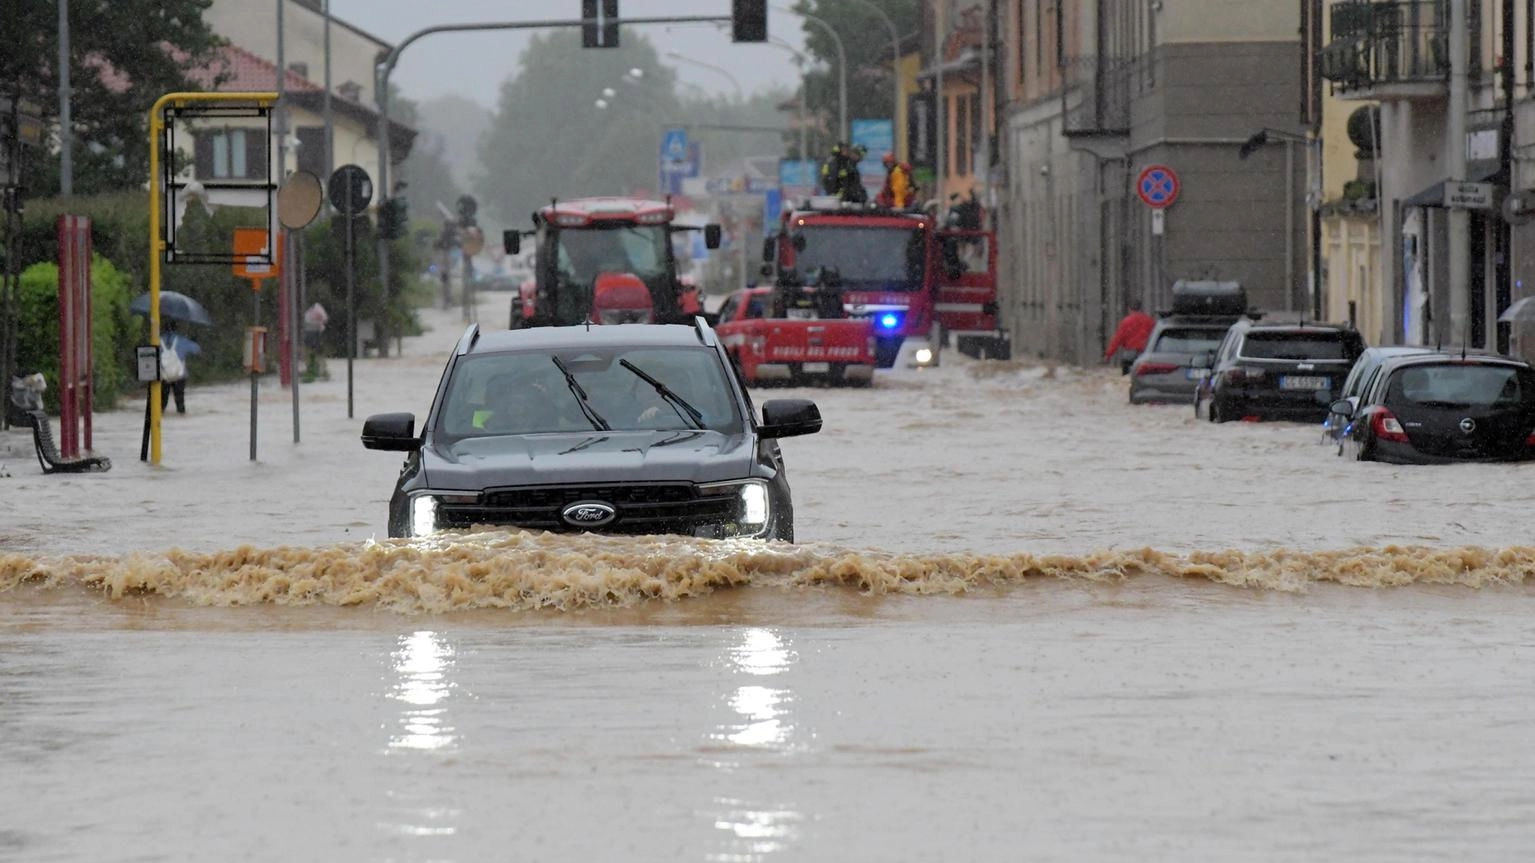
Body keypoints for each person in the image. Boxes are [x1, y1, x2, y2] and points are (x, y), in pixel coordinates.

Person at [1104, 300, 1156, 374]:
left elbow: (1117, 339)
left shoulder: (1126, 321)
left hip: (1130, 353)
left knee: (1126, 378)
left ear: (1129, 309)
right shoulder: (1150, 321)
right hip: (1145, 353)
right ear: (1141, 308)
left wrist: (1108, 354)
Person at [159, 324, 198, 414]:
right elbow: (196, 349)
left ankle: (161, 417)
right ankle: (181, 414)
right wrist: (193, 340)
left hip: (163, 376)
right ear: (176, 329)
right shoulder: (182, 340)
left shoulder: (156, 340)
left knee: (162, 401)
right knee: (180, 400)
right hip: (180, 376)